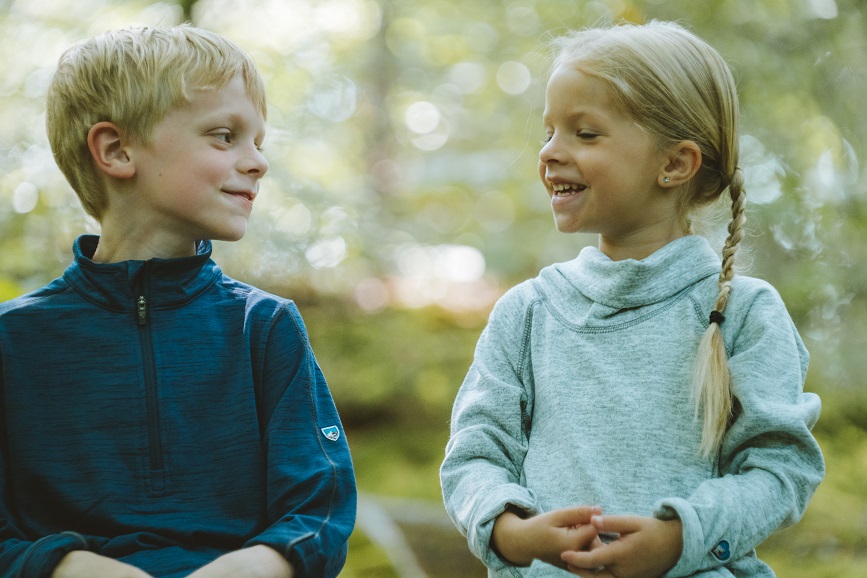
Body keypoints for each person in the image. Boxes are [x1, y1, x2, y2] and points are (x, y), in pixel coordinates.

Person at [440, 20, 824, 578]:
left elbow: (781, 470)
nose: (550, 152)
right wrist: (515, 534)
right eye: (549, 131)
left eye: (584, 134)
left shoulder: (744, 313)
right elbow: (474, 456)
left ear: (674, 164)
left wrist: (680, 539)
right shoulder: (528, 312)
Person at [0, 25, 356, 578]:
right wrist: (68, 568)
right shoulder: (12, 342)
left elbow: (319, 509)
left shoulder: (264, 327)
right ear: (117, 151)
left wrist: (251, 568)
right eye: (223, 136)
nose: (258, 162)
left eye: (259, 141)